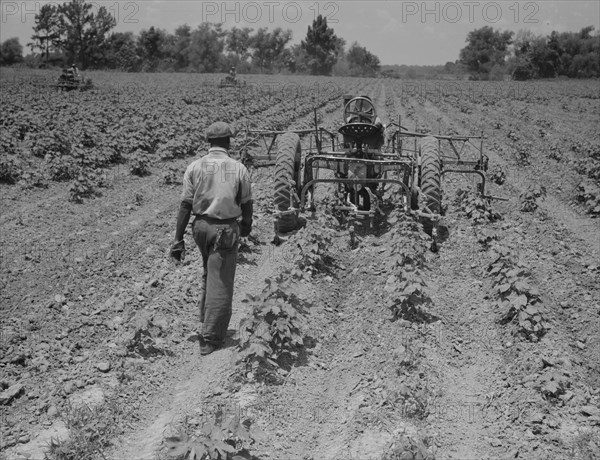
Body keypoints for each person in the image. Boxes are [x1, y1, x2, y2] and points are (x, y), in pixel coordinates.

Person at [170, 121, 253, 355]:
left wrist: (178, 239)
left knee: (210, 272)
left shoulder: (195, 167)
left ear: (209, 142)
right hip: (224, 229)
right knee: (222, 281)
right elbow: (247, 203)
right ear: (228, 141)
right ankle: (211, 338)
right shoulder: (238, 168)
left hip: (200, 227)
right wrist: (246, 225)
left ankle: (206, 319)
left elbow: (186, 205)